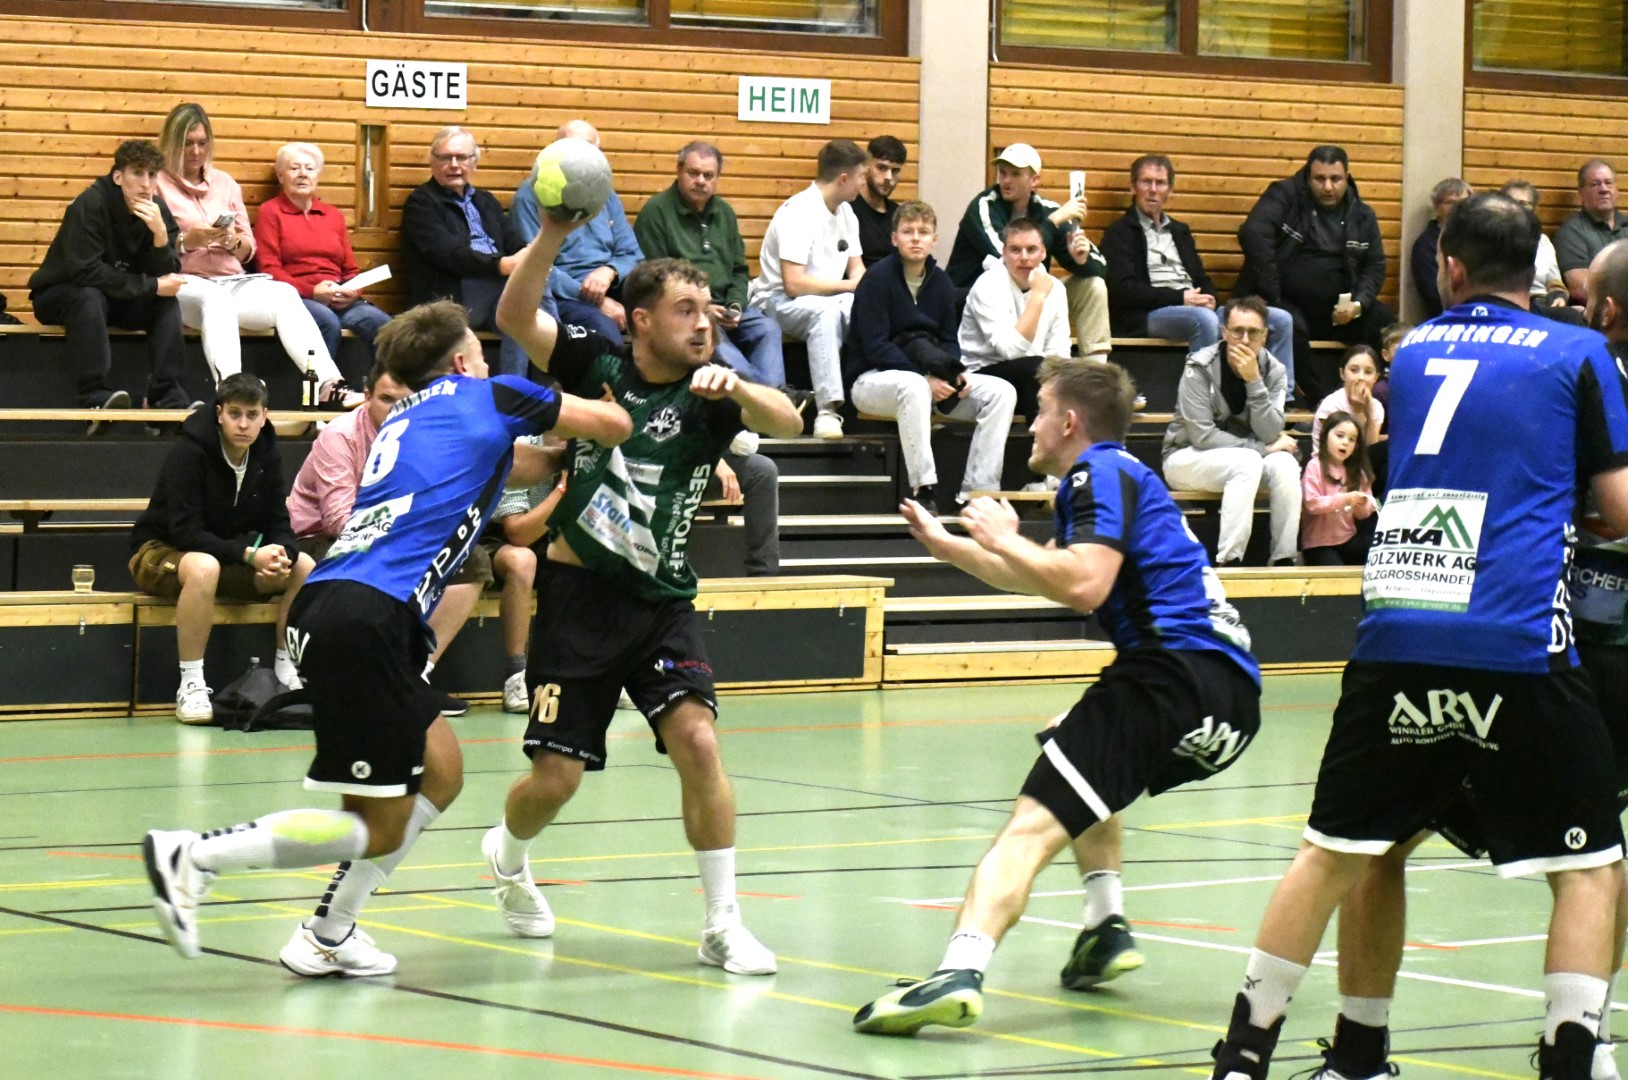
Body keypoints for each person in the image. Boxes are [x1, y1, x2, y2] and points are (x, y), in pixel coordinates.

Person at [1207, 194, 1628, 1080]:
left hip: (1398, 626)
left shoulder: (1416, 350)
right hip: (1517, 637)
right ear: (1537, 270)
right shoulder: (1578, 351)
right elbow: (1618, 512)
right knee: (1591, 867)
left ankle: (1257, 1055)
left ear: (1451, 267)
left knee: (1345, 851)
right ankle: (1571, 1059)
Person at [141, 288, 634, 975]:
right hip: (367, 616)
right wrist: (617, 395)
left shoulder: (414, 415)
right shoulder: (488, 394)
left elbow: (511, 462)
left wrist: (554, 461)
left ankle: (330, 931)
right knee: (373, 823)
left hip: (342, 605)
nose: (486, 363)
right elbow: (613, 424)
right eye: (480, 354)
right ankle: (193, 856)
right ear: (462, 362)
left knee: (442, 773)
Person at [853, 359, 1261, 1035]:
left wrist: (1006, 537)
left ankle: (960, 968)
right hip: (1231, 697)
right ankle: (1105, 925)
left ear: (1070, 422)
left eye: (1039, 410)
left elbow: (1082, 585)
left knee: (1030, 826)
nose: (1031, 423)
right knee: (1071, 747)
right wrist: (953, 549)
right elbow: (1052, 577)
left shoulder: (1094, 472)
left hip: (1168, 674)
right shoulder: (1122, 479)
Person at [487, 211, 806, 973]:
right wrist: (553, 236)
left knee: (699, 741)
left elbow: (790, 423)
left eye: (708, 311)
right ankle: (507, 853)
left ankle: (722, 923)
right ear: (639, 321)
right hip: (577, 599)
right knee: (555, 780)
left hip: (662, 602)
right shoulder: (595, 362)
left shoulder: (712, 392)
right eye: (684, 310)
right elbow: (513, 317)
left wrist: (744, 388)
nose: (703, 324)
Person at [285, 361, 495, 717]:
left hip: (393, 535)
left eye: (405, 400)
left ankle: (416, 676)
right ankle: (369, 680)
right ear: (367, 397)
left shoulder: (425, 435)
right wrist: (406, 535)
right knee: (385, 568)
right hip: (320, 539)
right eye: (386, 399)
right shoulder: (339, 436)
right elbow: (337, 521)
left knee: (471, 560)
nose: (396, 408)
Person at [128, 373, 315, 723]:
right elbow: (185, 533)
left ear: (265, 416)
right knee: (204, 568)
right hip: (160, 552)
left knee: (303, 565)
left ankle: (285, 671)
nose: (243, 424)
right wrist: (248, 555)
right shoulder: (189, 452)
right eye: (234, 414)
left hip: (222, 556)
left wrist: (282, 554)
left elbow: (279, 523)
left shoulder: (267, 455)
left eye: (252, 415)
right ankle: (191, 684)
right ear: (219, 413)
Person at [154, 103, 360, 408]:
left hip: (231, 279)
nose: (196, 152)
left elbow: (249, 247)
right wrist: (186, 241)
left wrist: (234, 242)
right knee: (215, 300)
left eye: (202, 143)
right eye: (187, 144)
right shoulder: (156, 184)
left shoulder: (224, 183)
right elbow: (146, 248)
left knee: (284, 294)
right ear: (172, 143)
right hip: (184, 283)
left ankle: (329, 384)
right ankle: (233, 392)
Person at [846, 200, 1016, 506]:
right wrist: (924, 377)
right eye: (908, 231)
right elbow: (875, 346)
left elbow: (949, 340)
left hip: (929, 379)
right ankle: (923, 488)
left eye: (923, 232)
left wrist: (954, 371)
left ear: (934, 239)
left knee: (1001, 392)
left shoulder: (941, 283)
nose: (916, 238)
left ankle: (979, 492)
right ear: (894, 238)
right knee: (913, 387)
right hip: (872, 380)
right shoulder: (876, 279)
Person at [1101, 154, 1295, 390]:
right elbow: (1123, 290)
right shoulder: (1120, 232)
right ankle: (1204, 399)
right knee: (1203, 320)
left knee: (1280, 319)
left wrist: (1210, 299)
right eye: (1146, 182)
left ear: (1170, 190)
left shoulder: (1179, 231)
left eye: (1160, 183)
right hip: (1147, 314)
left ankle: (1282, 398)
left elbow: (1201, 278)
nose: (1153, 190)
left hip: (1194, 306)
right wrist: (1181, 298)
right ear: (1133, 187)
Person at [27, 138, 191, 416]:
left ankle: (166, 395)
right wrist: (151, 285)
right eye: (137, 173)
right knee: (89, 296)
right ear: (118, 177)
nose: (146, 184)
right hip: (60, 294)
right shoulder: (90, 204)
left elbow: (166, 272)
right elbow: (86, 272)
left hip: (112, 297)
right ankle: (94, 394)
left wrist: (161, 237)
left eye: (152, 175)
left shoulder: (158, 211)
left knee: (165, 302)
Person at [1235, 146, 1394, 406]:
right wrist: (1271, 293)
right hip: (1287, 300)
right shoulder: (1284, 196)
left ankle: (1374, 397)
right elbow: (1253, 233)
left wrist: (1358, 305)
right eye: (1320, 179)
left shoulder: (1362, 215)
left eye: (1335, 179)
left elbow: (1375, 266)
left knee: (1383, 319)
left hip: (1339, 311)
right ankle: (1321, 400)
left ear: (1347, 177)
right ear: (1308, 177)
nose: (1328, 187)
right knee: (1286, 322)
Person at [1161, 297, 1301, 567]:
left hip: (1245, 462)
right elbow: (1202, 436)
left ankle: (1284, 560)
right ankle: (1229, 562)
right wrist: (1261, 449)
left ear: (1265, 336)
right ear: (1224, 333)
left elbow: (1271, 432)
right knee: (1247, 461)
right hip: (1185, 457)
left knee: (1285, 464)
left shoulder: (1275, 371)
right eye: (1237, 331)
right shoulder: (1199, 366)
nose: (1245, 340)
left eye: (1253, 332)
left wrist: (1254, 381)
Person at [634, 140, 785, 388]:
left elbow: (739, 270)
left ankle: (773, 398)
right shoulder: (656, 211)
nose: (701, 181)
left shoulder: (725, 212)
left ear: (717, 178)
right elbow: (655, 278)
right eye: (693, 173)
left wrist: (736, 305)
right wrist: (702, 308)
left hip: (728, 308)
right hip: (686, 310)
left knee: (767, 329)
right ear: (679, 171)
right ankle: (770, 398)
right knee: (716, 341)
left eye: (708, 175)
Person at [749, 138, 868, 440]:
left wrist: (864, 290)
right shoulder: (798, 212)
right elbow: (794, 283)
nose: (863, 184)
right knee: (825, 315)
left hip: (829, 297)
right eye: (861, 177)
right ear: (843, 179)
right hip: (778, 300)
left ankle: (868, 397)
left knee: (869, 309)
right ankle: (827, 411)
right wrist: (849, 286)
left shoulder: (847, 213)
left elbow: (857, 269)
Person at [947, 143, 1110, 361]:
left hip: (1029, 294)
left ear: (1035, 180)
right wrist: (1053, 223)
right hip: (980, 301)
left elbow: (1101, 268)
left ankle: (1096, 372)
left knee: (1092, 286)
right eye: (1002, 173)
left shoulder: (1048, 210)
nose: (1006, 180)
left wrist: (1081, 260)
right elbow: (1006, 259)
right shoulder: (983, 206)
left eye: (1015, 174)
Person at [400, 125, 526, 373]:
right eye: (446, 158)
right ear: (432, 163)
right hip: (455, 294)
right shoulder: (421, 203)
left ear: (474, 163)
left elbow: (513, 241)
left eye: (462, 158)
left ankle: (514, 386)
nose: (454, 165)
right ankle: (528, 387)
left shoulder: (486, 201)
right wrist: (500, 265)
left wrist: (527, 258)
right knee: (530, 303)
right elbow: (449, 254)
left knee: (527, 310)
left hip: (496, 288)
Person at [254, 142, 391, 367]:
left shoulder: (333, 216)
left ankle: (385, 387)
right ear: (280, 176)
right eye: (294, 168)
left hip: (340, 299)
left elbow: (350, 270)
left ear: (317, 176)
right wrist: (312, 292)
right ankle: (319, 388)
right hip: (298, 297)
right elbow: (268, 269)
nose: (303, 174)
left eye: (309, 168)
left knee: (385, 326)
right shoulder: (270, 212)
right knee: (326, 322)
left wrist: (353, 291)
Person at [510, 120, 643, 345]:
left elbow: (631, 253)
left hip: (611, 284)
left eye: (589, 152)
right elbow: (534, 265)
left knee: (661, 309)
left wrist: (609, 271)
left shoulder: (605, 193)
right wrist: (595, 300)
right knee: (603, 329)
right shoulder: (533, 194)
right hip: (563, 294)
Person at [958, 217, 1072, 427]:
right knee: (1036, 368)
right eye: (1015, 250)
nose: (1024, 257)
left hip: (1034, 376)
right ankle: (1041, 445)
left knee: (1074, 376)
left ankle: (1057, 445)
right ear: (1004, 253)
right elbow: (1010, 350)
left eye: (1031, 249)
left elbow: (1059, 350)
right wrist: (1038, 296)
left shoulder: (1056, 288)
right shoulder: (988, 285)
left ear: (1043, 252)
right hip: (982, 377)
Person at [1300, 410, 1375, 566]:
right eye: (1340, 436)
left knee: (1378, 550)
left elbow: (1363, 514)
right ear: (1325, 436)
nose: (1345, 442)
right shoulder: (1315, 466)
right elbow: (1312, 504)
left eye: (1352, 439)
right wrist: (1344, 499)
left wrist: (1362, 504)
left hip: (1349, 539)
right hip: (1318, 544)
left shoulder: (1358, 472)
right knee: (1335, 570)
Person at [1558, 160, 1628, 301]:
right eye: (1595, 184)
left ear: (1616, 190)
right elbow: (1581, 289)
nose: (1604, 189)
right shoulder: (1571, 233)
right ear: (1581, 194)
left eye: (1608, 183)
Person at [1503, 180, 1571, 311]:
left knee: (1571, 315)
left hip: (1542, 303)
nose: (1516, 208)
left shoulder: (1542, 241)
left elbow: (1555, 283)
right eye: (1510, 202)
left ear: (1534, 209)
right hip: (1509, 303)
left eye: (1523, 204)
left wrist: (1559, 297)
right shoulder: (1493, 239)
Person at [1410, 178, 1472, 318]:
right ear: (1437, 209)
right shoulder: (1425, 246)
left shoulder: (1480, 239)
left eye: (1464, 202)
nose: (1458, 208)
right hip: (1448, 318)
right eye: (1451, 203)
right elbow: (1434, 297)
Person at [1310, 345, 1385, 450]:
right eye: (1354, 370)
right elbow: (1337, 451)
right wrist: (1357, 411)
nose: (1361, 377)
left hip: (1360, 460)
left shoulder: (1376, 407)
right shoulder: (1331, 405)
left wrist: (1369, 413)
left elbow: (1371, 451)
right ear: (1342, 374)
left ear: (1375, 378)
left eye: (1368, 372)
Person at [851, 135, 906, 268]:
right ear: (866, 166)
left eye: (895, 170)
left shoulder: (899, 214)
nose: (888, 177)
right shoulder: (847, 210)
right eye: (881, 168)